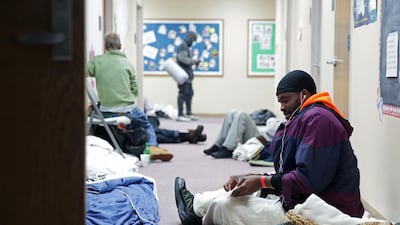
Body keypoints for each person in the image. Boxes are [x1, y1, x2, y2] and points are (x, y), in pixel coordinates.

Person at [174, 70, 364, 225]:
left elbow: (309, 180)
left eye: (285, 100)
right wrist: (255, 179)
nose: (281, 107)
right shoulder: (306, 117)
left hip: (326, 212)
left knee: (225, 207)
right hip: (302, 199)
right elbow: (291, 173)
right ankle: (195, 207)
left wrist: (262, 182)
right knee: (238, 190)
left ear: (303, 95)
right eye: (280, 101)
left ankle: (199, 214)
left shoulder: (319, 120)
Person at [87, 32, 173, 161]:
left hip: (106, 111)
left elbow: (83, 71)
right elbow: (135, 90)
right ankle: (153, 147)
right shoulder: (126, 63)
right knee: (147, 125)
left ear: (105, 46)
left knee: (129, 124)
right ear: (120, 46)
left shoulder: (97, 61)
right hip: (127, 110)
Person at [203, 110, 280, 159]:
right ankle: (218, 145)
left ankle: (229, 148)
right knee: (231, 113)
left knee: (242, 115)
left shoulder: (289, 124)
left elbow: (272, 128)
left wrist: (271, 120)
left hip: (262, 140)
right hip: (260, 132)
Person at [176, 31, 201, 122]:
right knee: (182, 94)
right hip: (183, 75)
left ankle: (189, 113)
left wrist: (194, 61)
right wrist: (194, 61)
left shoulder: (186, 47)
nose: (193, 42)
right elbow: (182, 59)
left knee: (189, 93)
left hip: (188, 76)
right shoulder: (183, 46)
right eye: (193, 40)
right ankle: (180, 114)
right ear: (190, 38)